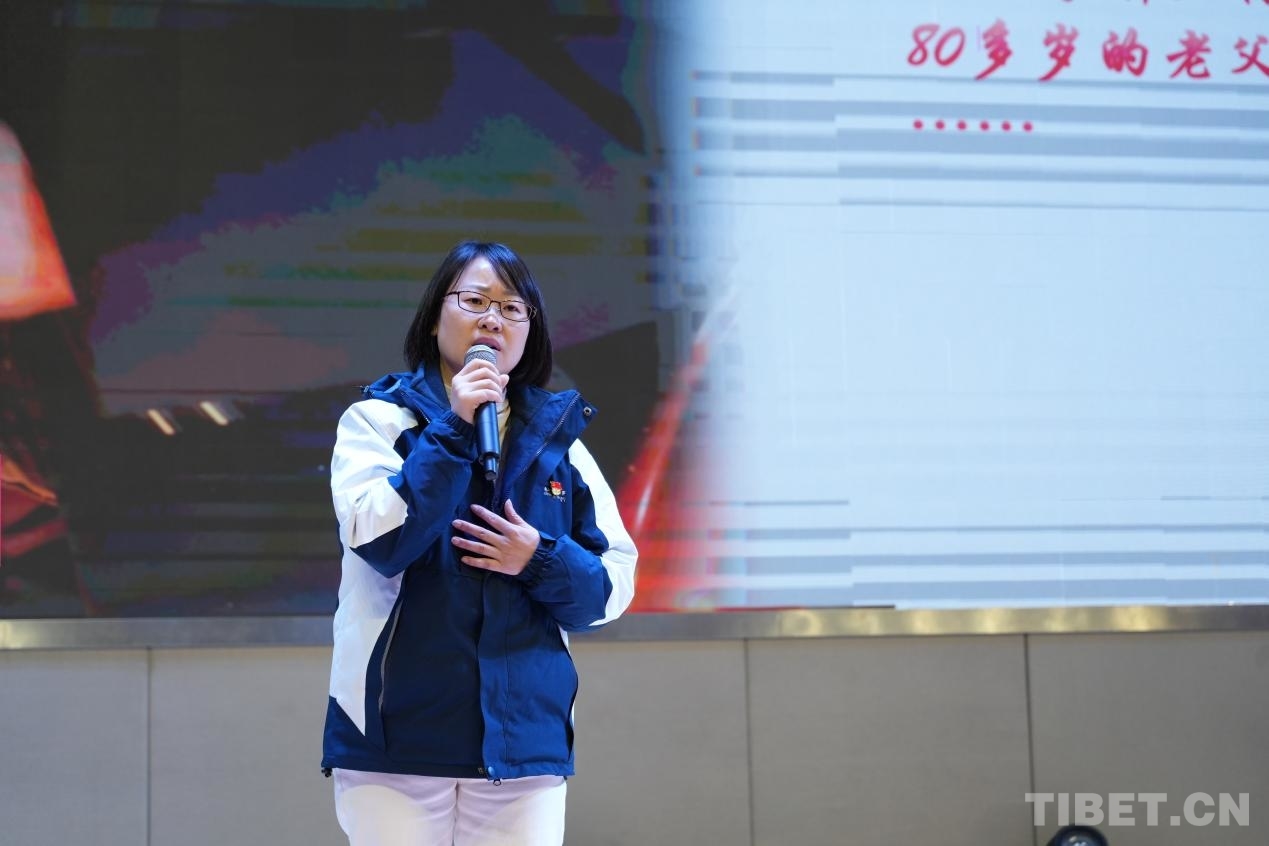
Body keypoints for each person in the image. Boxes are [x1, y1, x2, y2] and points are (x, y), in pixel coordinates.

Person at [321, 240, 637, 845]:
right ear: (434, 316)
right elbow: (379, 540)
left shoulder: (560, 443)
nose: (493, 318)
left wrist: (538, 559)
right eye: (475, 301)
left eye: (513, 308)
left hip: (523, 745)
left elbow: (613, 587)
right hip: (395, 738)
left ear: (529, 332)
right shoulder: (379, 421)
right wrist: (454, 427)